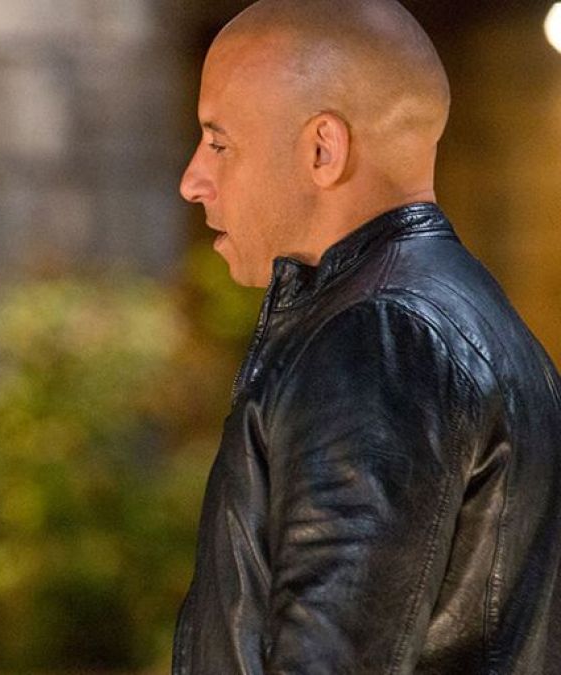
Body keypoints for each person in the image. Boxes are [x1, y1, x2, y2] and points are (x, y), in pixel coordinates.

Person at [174, 1, 561, 673]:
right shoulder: (471, 317)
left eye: (219, 143)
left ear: (323, 149)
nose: (193, 181)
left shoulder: (381, 339)